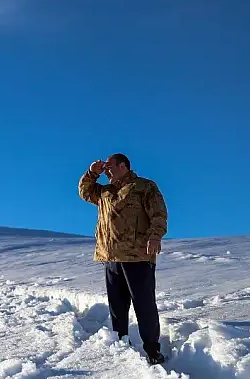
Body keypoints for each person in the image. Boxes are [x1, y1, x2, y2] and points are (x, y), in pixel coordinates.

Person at [78, 153, 168, 365]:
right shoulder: (104, 191)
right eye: (105, 168)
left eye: (110, 167)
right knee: (117, 308)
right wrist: (92, 173)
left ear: (123, 166)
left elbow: (159, 214)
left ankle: (153, 351)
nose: (107, 171)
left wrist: (155, 236)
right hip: (111, 257)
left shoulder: (144, 187)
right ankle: (120, 346)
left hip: (138, 256)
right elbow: (84, 192)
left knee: (144, 305)